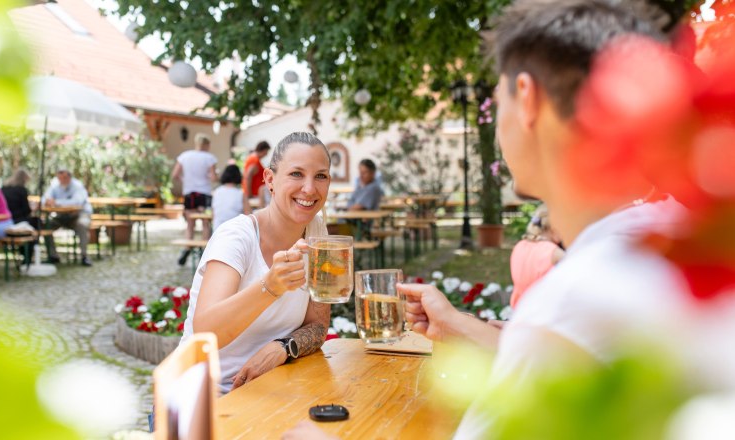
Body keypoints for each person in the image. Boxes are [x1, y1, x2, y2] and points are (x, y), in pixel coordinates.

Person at [284, 1, 687, 438]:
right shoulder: (670, 238)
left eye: (498, 102)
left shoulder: (573, 300)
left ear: (527, 99)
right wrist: (459, 325)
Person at [180, 132, 331, 394]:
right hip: (202, 397)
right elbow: (205, 335)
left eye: (320, 176)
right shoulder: (237, 236)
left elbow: (318, 325)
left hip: (266, 392)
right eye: (296, 174)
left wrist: (283, 347)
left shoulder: (317, 232)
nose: (309, 188)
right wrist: (270, 286)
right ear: (269, 180)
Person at [173, 133, 219, 265]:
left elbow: (175, 174)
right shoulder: (209, 158)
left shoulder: (185, 156)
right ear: (206, 145)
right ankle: (204, 253)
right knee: (205, 223)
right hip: (203, 192)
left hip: (189, 192)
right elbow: (213, 177)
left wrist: (185, 181)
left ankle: (187, 248)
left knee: (190, 223)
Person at [509, 204, 565, 308]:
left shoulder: (519, 246)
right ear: (554, 230)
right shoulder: (554, 252)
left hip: (519, 310)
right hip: (543, 311)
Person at [42, 169, 93, 266]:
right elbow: (45, 198)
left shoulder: (77, 186)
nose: (62, 180)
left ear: (70, 177)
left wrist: (56, 202)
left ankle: (84, 256)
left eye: (64, 177)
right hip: (61, 215)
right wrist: (47, 201)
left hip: (78, 214)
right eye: (60, 177)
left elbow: (77, 202)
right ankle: (53, 256)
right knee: (46, 226)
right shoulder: (55, 185)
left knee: (82, 225)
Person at [211, 164, 248, 231]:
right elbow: (248, 215)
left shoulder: (216, 192)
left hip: (217, 229)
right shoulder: (240, 193)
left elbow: (213, 214)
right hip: (235, 229)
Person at [242, 140, 272, 214]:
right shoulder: (254, 161)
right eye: (266, 151)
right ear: (264, 150)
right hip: (253, 194)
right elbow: (248, 177)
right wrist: (249, 194)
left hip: (254, 193)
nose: (266, 154)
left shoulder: (251, 158)